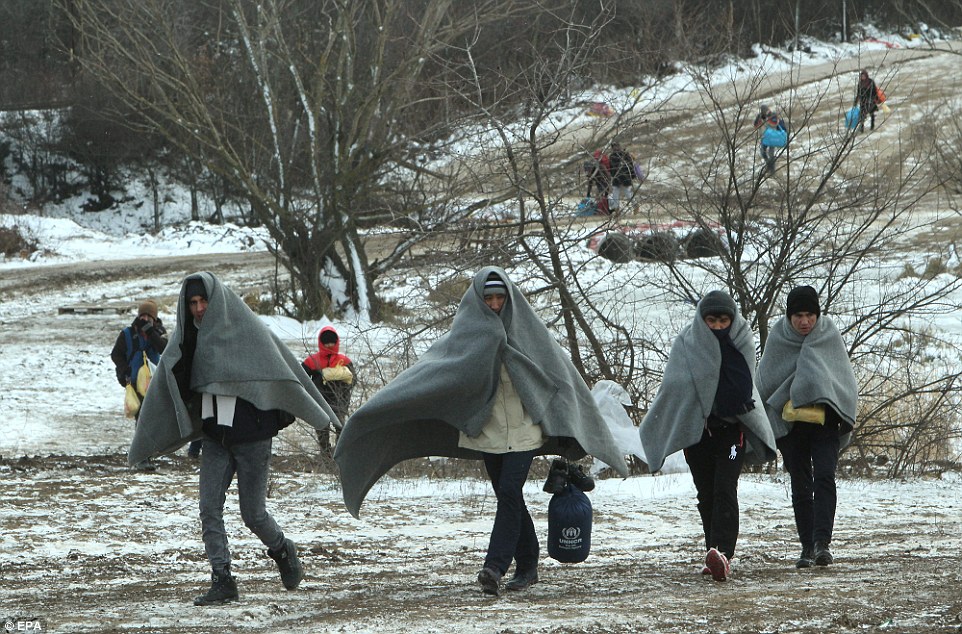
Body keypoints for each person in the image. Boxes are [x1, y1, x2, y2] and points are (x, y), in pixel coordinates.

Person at [333, 266, 629, 596]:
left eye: (500, 297)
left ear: (509, 298)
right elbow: (431, 372)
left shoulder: (529, 335)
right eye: (488, 298)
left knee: (507, 492)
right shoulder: (465, 338)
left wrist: (570, 421)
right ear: (478, 299)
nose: (494, 304)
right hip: (488, 434)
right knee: (509, 495)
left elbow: (561, 378)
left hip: (524, 433)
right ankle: (528, 566)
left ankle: (495, 567)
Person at [128, 272, 340, 606]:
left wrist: (321, 412)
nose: (198, 309)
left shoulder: (249, 331)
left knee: (253, 514)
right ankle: (223, 579)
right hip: (215, 438)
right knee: (209, 508)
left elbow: (284, 372)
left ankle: (283, 550)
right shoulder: (190, 338)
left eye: (203, 301)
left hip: (252, 437)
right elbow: (173, 370)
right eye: (192, 303)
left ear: (217, 300)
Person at [639, 291, 776, 582]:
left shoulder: (742, 339)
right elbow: (674, 384)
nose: (717, 326)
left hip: (731, 429)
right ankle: (711, 551)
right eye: (711, 320)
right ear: (702, 319)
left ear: (732, 319)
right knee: (706, 493)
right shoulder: (687, 342)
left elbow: (744, 385)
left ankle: (724, 553)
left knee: (725, 488)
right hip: (698, 431)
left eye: (723, 319)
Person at [756, 286, 858, 569]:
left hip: (825, 422)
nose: (805, 322)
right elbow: (765, 382)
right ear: (789, 316)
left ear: (817, 314)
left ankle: (822, 543)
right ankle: (806, 545)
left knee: (824, 477)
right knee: (800, 482)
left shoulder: (828, 335)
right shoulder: (778, 338)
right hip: (790, 426)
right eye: (798, 315)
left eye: (810, 315)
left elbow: (844, 381)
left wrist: (840, 409)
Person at [110, 299, 168, 471]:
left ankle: (145, 454)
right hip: (135, 383)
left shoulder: (159, 333)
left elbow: (164, 349)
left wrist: (151, 333)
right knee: (142, 419)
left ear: (155, 319)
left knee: (152, 419)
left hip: (155, 383)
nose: (145, 318)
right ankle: (142, 457)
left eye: (149, 316)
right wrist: (124, 371)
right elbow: (116, 354)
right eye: (142, 315)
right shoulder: (127, 333)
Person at [302, 325, 355, 453]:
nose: (330, 345)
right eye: (327, 343)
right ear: (322, 343)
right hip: (320, 400)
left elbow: (353, 380)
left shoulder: (344, 360)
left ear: (336, 342)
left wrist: (343, 386)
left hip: (340, 401)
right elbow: (302, 379)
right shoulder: (312, 361)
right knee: (322, 427)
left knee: (340, 427)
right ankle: (325, 453)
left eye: (332, 342)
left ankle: (339, 453)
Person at [753, 105, 788, 175]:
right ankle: (769, 164)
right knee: (763, 153)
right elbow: (756, 126)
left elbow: (774, 124)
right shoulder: (760, 116)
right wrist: (759, 119)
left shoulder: (773, 115)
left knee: (771, 154)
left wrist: (767, 119)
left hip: (773, 137)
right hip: (764, 137)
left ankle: (772, 170)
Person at [607, 141, 636, 212]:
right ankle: (616, 209)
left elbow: (630, 166)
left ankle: (635, 205)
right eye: (614, 147)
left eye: (616, 146)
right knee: (615, 194)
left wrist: (631, 176)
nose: (615, 148)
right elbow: (611, 168)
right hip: (616, 178)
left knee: (628, 194)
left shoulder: (625, 155)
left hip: (625, 177)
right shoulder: (612, 156)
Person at [584, 149, 611, 214]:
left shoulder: (600, 167)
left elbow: (608, 177)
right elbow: (590, 183)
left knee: (600, 196)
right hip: (599, 183)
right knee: (600, 197)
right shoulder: (590, 172)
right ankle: (602, 210)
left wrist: (607, 189)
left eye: (589, 171)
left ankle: (603, 211)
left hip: (604, 182)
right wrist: (588, 194)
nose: (589, 172)